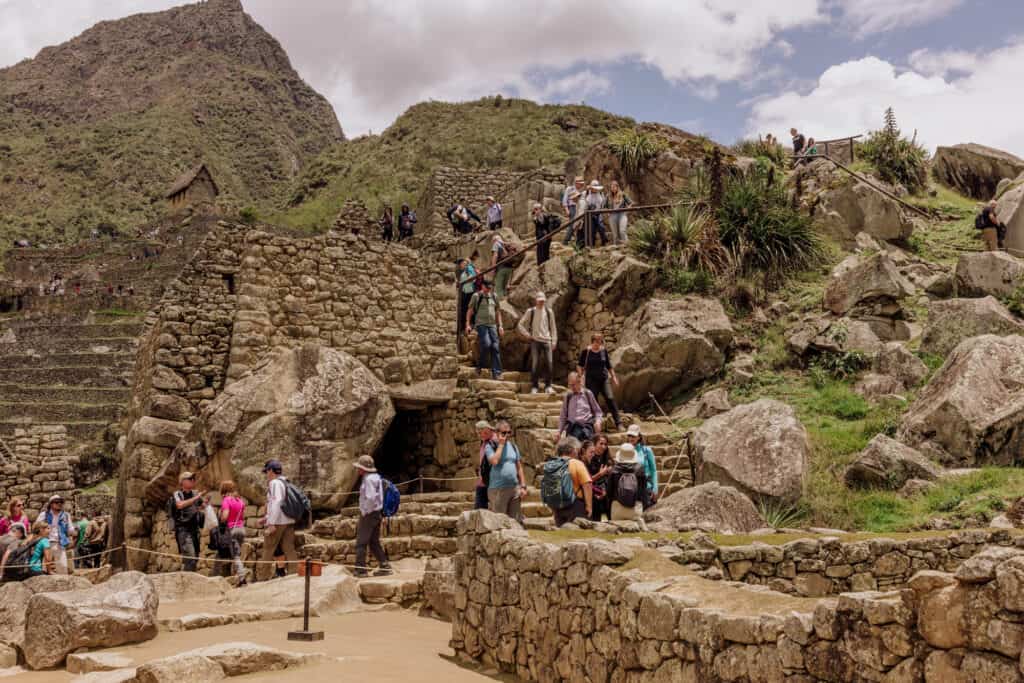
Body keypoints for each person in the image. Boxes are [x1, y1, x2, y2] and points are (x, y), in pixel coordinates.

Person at [353, 455, 392, 577]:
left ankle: (361, 570)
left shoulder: (368, 479)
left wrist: (365, 511)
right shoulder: (376, 477)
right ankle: (384, 565)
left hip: (369, 514)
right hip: (377, 513)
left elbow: (370, 498)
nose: (358, 470)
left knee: (361, 542)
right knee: (374, 541)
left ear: (363, 468)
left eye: (359, 467)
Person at [259, 459, 297, 580]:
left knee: (268, 549)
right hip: (289, 520)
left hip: (278, 522)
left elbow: (276, 502)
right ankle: (294, 575)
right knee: (289, 549)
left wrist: (271, 523)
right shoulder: (286, 482)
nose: (266, 474)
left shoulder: (274, 483)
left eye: (267, 471)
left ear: (271, 470)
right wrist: (266, 518)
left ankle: (262, 578)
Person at [577, 333, 622, 430]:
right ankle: (595, 424)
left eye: (601, 341)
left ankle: (618, 423)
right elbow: (580, 365)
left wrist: (614, 377)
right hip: (591, 380)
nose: (599, 343)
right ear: (593, 341)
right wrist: (580, 377)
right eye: (597, 341)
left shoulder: (603, 351)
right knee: (594, 402)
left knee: (610, 398)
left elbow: (609, 365)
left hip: (604, 379)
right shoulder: (586, 351)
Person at [517, 291, 557, 394]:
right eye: (539, 301)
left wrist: (554, 341)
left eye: (543, 301)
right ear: (536, 301)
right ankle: (534, 386)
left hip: (547, 340)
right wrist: (527, 335)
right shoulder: (531, 311)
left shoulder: (549, 311)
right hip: (535, 340)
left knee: (550, 363)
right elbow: (520, 324)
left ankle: (548, 386)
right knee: (535, 363)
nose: (541, 303)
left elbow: (553, 327)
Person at [487, 419, 527, 523]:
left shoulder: (514, 446)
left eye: (509, 432)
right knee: (499, 523)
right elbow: (494, 461)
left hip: (514, 489)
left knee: (516, 522)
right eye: (504, 433)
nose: (507, 435)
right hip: (498, 489)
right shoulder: (490, 446)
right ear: (496, 433)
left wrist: (523, 486)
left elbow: (519, 467)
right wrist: (501, 444)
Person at [546, 438, 592, 526]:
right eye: (577, 450)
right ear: (573, 450)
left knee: (562, 533)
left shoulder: (552, 464)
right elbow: (587, 485)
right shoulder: (577, 463)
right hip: (576, 505)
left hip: (558, 505)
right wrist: (589, 506)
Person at [466, 279, 503, 379]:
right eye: (487, 288)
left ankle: (497, 373)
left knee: (495, 347)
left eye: (490, 288)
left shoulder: (494, 296)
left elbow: (498, 311)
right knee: (486, 345)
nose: (488, 290)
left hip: (493, 325)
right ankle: (479, 366)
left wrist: (500, 326)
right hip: (481, 325)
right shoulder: (476, 296)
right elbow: (470, 310)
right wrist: (468, 324)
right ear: (482, 286)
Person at [172, 472, 206, 572]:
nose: (193, 480)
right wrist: (196, 497)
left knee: (195, 558)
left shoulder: (195, 493)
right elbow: (180, 505)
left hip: (195, 530)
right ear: (182, 481)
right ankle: (187, 582)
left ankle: (188, 580)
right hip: (183, 531)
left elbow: (202, 505)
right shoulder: (177, 494)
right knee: (190, 557)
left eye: (193, 478)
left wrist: (205, 502)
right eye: (190, 478)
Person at [557, 371, 603, 443]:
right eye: (570, 385)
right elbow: (563, 416)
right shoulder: (568, 396)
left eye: (573, 385)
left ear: (579, 382)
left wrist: (598, 422)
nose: (572, 387)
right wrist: (559, 432)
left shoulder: (588, 393)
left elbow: (598, 411)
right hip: (572, 431)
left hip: (587, 430)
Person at [607, 443, 648, 523]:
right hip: (635, 509)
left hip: (617, 509)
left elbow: (609, 493)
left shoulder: (614, 470)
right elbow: (643, 491)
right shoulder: (640, 470)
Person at [219, 480, 248, 585]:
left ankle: (242, 579)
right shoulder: (240, 500)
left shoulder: (226, 500)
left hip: (232, 529)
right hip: (241, 529)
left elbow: (225, 515)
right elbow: (242, 516)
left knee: (235, 555)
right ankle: (240, 577)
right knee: (237, 554)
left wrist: (221, 519)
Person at [36, 495, 72, 575]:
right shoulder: (44, 515)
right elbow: (36, 526)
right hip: (46, 542)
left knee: (62, 567)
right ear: (51, 504)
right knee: (44, 568)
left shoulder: (66, 515)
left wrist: (74, 532)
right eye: (56, 502)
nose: (59, 504)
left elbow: (70, 529)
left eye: (61, 502)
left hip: (60, 543)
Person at [625, 425, 659, 507]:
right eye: (629, 435)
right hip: (631, 489)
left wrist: (655, 489)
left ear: (639, 437)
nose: (631, 438)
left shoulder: (647, 451)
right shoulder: (624, 451)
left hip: (646, 488)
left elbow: (653, 470)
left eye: (633, 435)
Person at [585, 435, 613, 521]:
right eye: (601, 444)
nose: (603, 447)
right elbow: (587, 480)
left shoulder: (608, 459)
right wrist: (600, 474)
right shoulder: (589, 459)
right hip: (593, 494)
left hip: (606, 493)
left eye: (605, 444)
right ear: (594, 444)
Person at [474, 420, 496, 510]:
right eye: (478, 433)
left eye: (480, 432)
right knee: (479, 508)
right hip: (483, 480)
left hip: (493, 480)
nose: (479, 435)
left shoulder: (496, 441)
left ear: (487, 430)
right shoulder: (485, 441)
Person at [583, 180, 609, 247]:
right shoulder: (588, 194)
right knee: (592, 230)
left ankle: (604, 241)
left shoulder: (600, 194)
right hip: (590, 215)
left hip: (598, 213)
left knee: (601, 227)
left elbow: (601, 204)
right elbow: (586, 203)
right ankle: (592, 244)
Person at [456, 257, 478, 335]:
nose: (459, 266)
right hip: (465, 292)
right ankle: (465, 326)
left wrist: (462, 283)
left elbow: (473, 278)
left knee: (469, 308)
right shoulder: (464, 272)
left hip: (470, 292)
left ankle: (471, 325)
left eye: (460, 264)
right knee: (465, 309)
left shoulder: (469, 268)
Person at [562, 176, 586, 243]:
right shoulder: (569, 189)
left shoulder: (583, 190)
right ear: (576, 183)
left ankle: (578, 240)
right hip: (572, 207)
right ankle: (566, 240)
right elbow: (565, 200)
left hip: (580, 207)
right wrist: (567, 209)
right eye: (579, 183)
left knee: (579, 224)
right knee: (572, 224)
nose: (581, 184)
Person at [491, 233, 515, 300]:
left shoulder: (496, 244)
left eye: (492, 241)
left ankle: (500, 304)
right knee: (504, 287)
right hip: (509, 267)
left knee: (498, 287)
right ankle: (505, 299)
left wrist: (493, 268)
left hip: (501, 268)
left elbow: (495, 255)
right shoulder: (505, 245)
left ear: (495, 240)